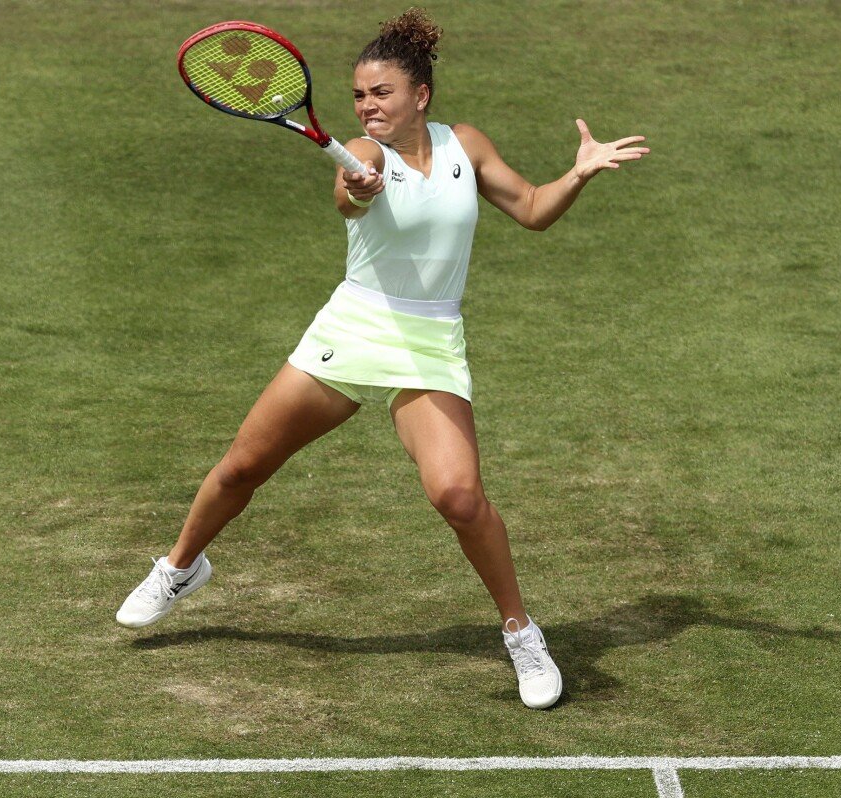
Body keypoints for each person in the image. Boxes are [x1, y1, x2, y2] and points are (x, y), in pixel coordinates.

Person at [116, 8, 649, 710]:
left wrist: (578, 174)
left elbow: (531, 208)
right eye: (359, 96)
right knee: (244, 466)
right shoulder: (364, 155)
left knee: (458, 497)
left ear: (420, 95)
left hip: (429, 341)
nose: (367, 107)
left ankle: (521, 632)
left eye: (382, 93)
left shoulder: (465, 144)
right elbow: (350, 195)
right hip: (357, 326)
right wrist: (356, 191)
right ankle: (179, 568)